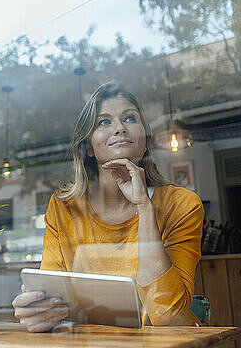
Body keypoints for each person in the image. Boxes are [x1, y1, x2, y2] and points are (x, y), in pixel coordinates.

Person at [12, 82, 204, 331]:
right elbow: (53, 301)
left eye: (130, 118)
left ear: (145, 141)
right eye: (104, 122)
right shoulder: (63, 207)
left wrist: (144, 207)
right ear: (89, 147)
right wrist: (38, 313)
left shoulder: (182, 205)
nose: (119, 128)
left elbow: (166, 313)